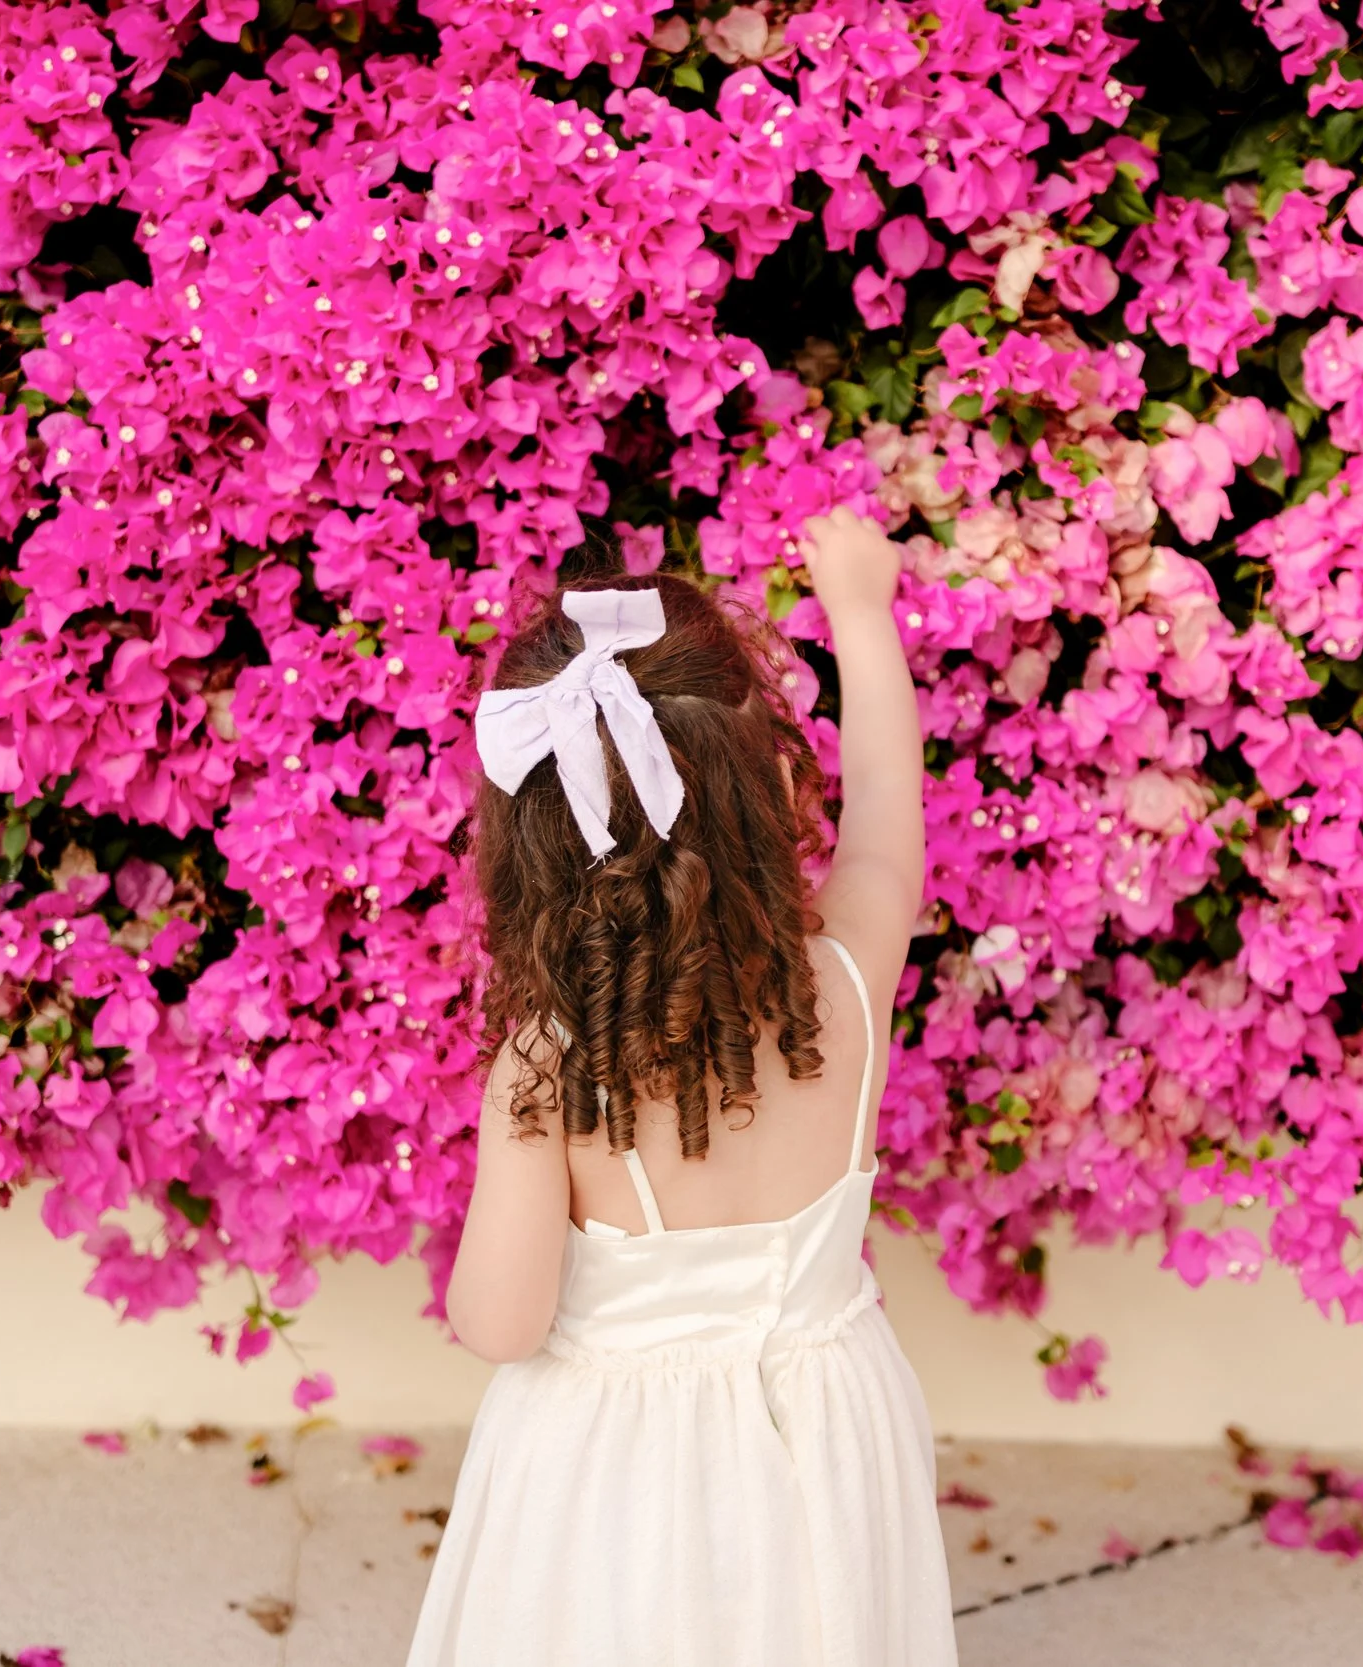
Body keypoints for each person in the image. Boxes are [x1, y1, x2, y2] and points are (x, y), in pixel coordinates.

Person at [406, 511, 956, 1666]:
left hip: (623, 1472)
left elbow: (499, 1323)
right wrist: (859, 607)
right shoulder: (849, 970)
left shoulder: (554, 1065)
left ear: (530, 830)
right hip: (828, 1420)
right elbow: (885, 833)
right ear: (756, 786)